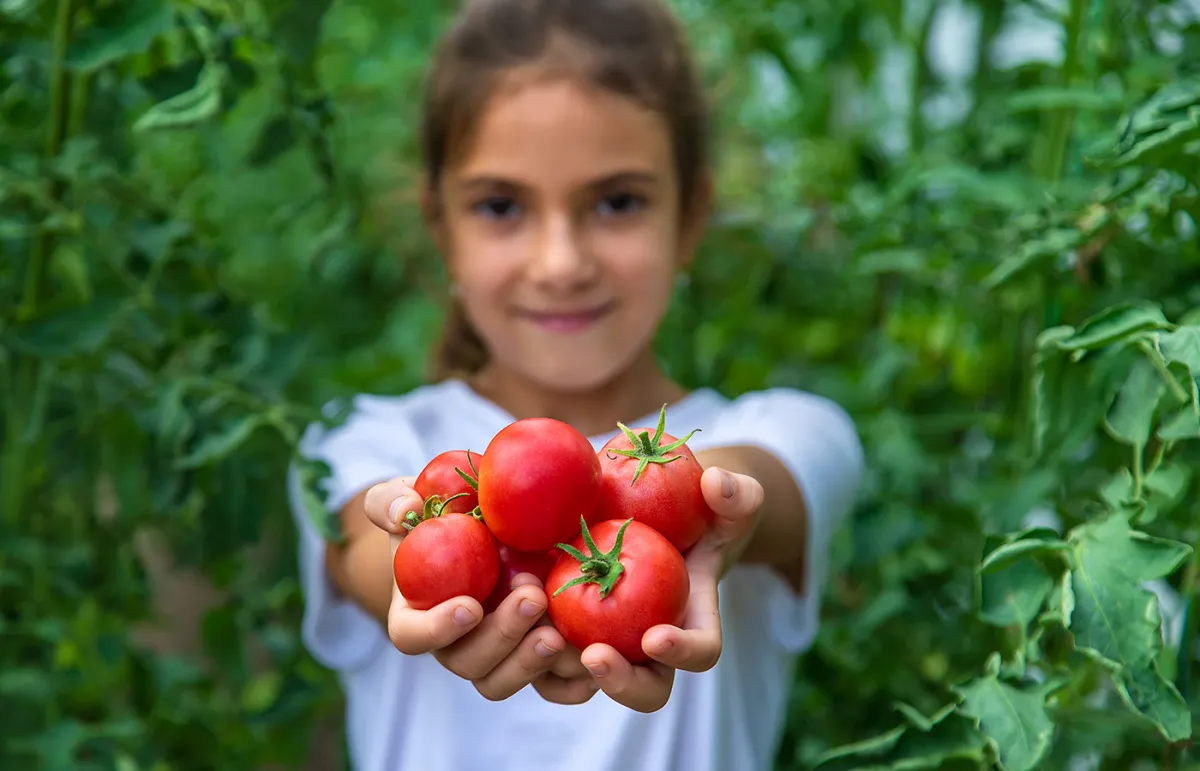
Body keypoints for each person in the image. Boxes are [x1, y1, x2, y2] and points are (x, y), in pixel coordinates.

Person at [286, 0, 864, 769]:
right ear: (441, 229)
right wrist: (417, 554)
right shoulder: (364, 439)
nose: (561, 263)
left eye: (616, 202)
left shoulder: (795, 430)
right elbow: (362, 544)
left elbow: (757, 485)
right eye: (501, 206)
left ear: (690, 215)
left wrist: (705, 509)